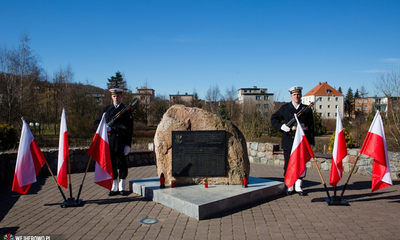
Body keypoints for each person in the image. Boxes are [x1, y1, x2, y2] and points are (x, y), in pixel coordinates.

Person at [271, 86, 315, 196]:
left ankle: (299, 186)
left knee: (301, 164)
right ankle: (289, 186)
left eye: (298, 94)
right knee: (289, 164)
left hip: (302, 141)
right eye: (294, 94)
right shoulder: (285, 108)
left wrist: (310, 141)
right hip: (289, 140)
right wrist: (281, 126)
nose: (297, 96)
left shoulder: (307, 109)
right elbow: (274, 118)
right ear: (291, 96)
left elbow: (311, 126)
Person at [94, 88, 133, 196]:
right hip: (110, 142)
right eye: (114, 96)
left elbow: (130, 129)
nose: (116, 98)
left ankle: (122, 185)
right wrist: (103, 128)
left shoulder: (126, 110)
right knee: (111, 164)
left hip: (121, 141)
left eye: (118, 96)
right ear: (111, 97)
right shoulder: (106, 110)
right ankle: (114, 185)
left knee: (122, 164)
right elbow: (96, 123)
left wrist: (128, 144)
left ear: (121, 97)